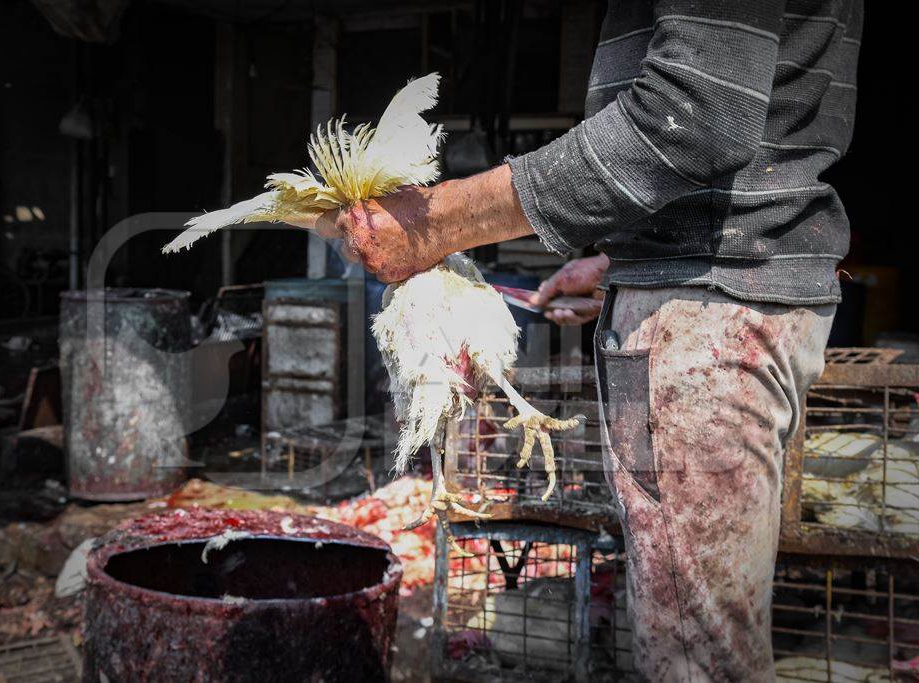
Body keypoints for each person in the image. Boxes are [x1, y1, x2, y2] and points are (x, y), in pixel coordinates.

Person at [320, 1, 862, 680]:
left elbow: (696, 115)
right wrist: (617, 265)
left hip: (710, 313)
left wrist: (442, 221)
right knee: (703, 640)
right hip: (718, 293)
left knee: (696, 661)